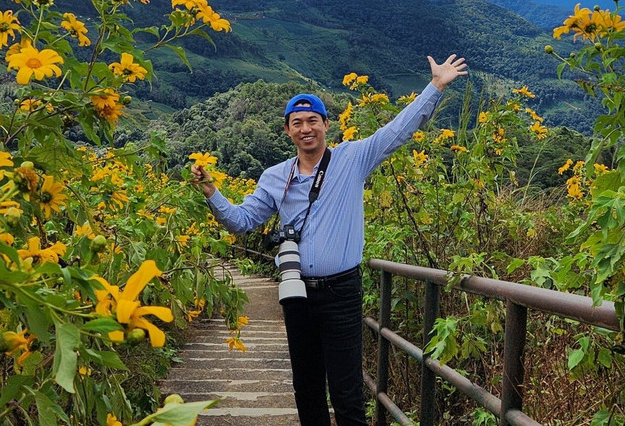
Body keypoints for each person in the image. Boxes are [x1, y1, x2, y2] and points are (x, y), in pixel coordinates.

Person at [190, 55, 468, 426]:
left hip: (341, 291)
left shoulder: (352, 158)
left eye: (312, 121)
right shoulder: (275, 177)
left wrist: (435, 87)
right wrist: (212, 193)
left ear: (325, 125)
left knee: (347, 388)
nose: (306, 129)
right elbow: (241, 222)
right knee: (306, 387)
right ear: (288, 130)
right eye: (297, 123)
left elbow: (399, 129)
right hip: (295, 291)